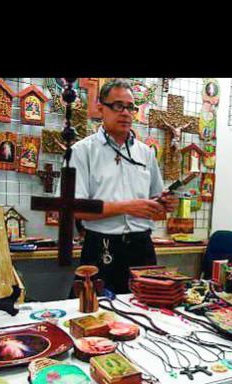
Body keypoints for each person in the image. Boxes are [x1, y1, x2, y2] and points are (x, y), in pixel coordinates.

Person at [70, 79, 179, 296]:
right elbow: (76, 209)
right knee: (95, 318)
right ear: (101, 108)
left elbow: (156, 207)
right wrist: (127, 207)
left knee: (149, 313)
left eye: (130, 107)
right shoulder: (81, 152)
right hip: (102, 247)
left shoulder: (146, 153)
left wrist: (166, 204)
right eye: (118, 106)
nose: (126, 113)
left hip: (142, 248)